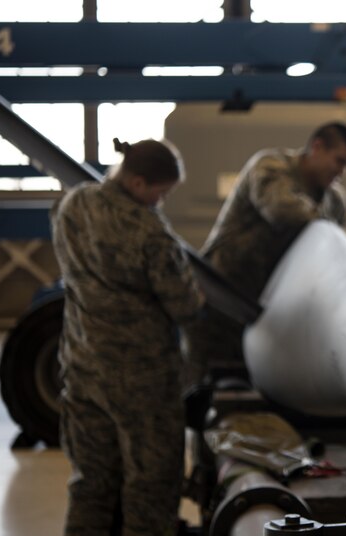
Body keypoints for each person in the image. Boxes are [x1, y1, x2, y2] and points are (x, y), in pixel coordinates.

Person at [51, 137, 205, 535]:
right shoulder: (149, 231)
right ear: (138, 183)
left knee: (91, 484)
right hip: (142, 383)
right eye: (161, 193)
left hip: (83, 368)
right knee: (150, 488)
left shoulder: (74, 205)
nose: (161, 202)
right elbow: (184, 305)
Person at [187, 122, 346, 382]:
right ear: (317, 147)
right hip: (221, 300)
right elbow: (281, 210)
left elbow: (331, 251)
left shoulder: (335, 203)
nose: (342, 172)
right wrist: (323, 224)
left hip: (266, 307)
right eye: (339, 161)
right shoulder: (271, 167)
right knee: (205, 384)